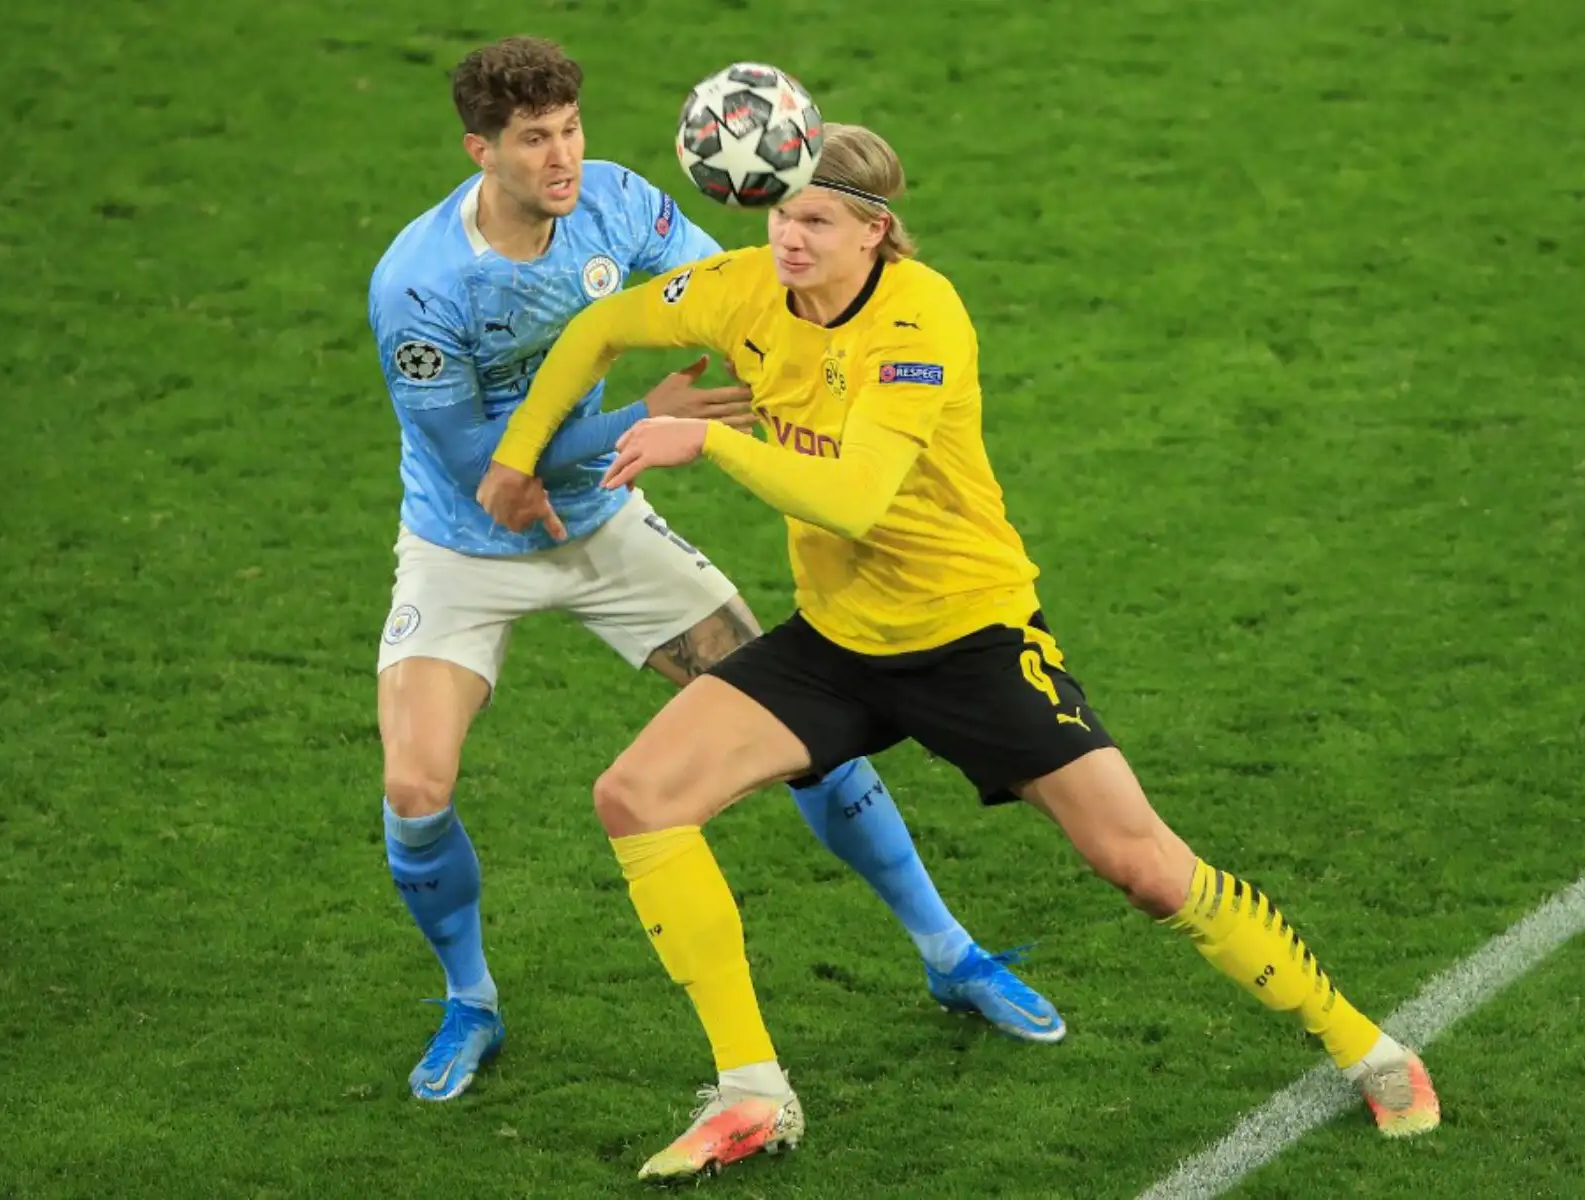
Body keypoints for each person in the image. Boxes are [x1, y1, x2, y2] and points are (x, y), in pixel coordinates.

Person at [478, 122, 1442, 1180]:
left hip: (969, 638)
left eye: (814, 220)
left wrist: (705, 438)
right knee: (637, 796)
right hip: (838, 643)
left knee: (1146, 868)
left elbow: (854, 500)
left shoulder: (919, 317)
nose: (786, 239)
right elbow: (601, 328)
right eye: (779, 213)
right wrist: (519, 461)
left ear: (875, 232)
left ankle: (1371, 1047)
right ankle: (754, 1091)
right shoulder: (744, 289)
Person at [365, 40, 1064, 1104]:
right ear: (481, 151)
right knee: (416, 787)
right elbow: (481, 473)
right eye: (534, 140)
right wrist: (643, 420)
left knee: (809, 734)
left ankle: (950, 951)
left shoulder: (618, 205)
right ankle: (470, 1000)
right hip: (467, 551)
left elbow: (746, 309)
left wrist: (834, 406)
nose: (564, 158)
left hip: (609, 531)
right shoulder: (419, 286)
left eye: (571, 128)